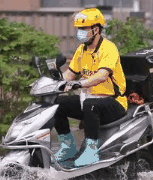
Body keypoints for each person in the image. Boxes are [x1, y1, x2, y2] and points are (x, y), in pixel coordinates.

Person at [52, 8, 127, 167]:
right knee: (57, 103)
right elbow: (70, 74)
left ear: (96, 29)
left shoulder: (108, 48)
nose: (80, 32)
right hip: (90, 101)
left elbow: (102, 75)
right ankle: (68, 147)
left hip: (114, 102)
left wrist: (80, 83)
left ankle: (91, 152)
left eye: (84, 28)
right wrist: (54, 84)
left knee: (90, 105)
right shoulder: (81, 50)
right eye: (79, 28)